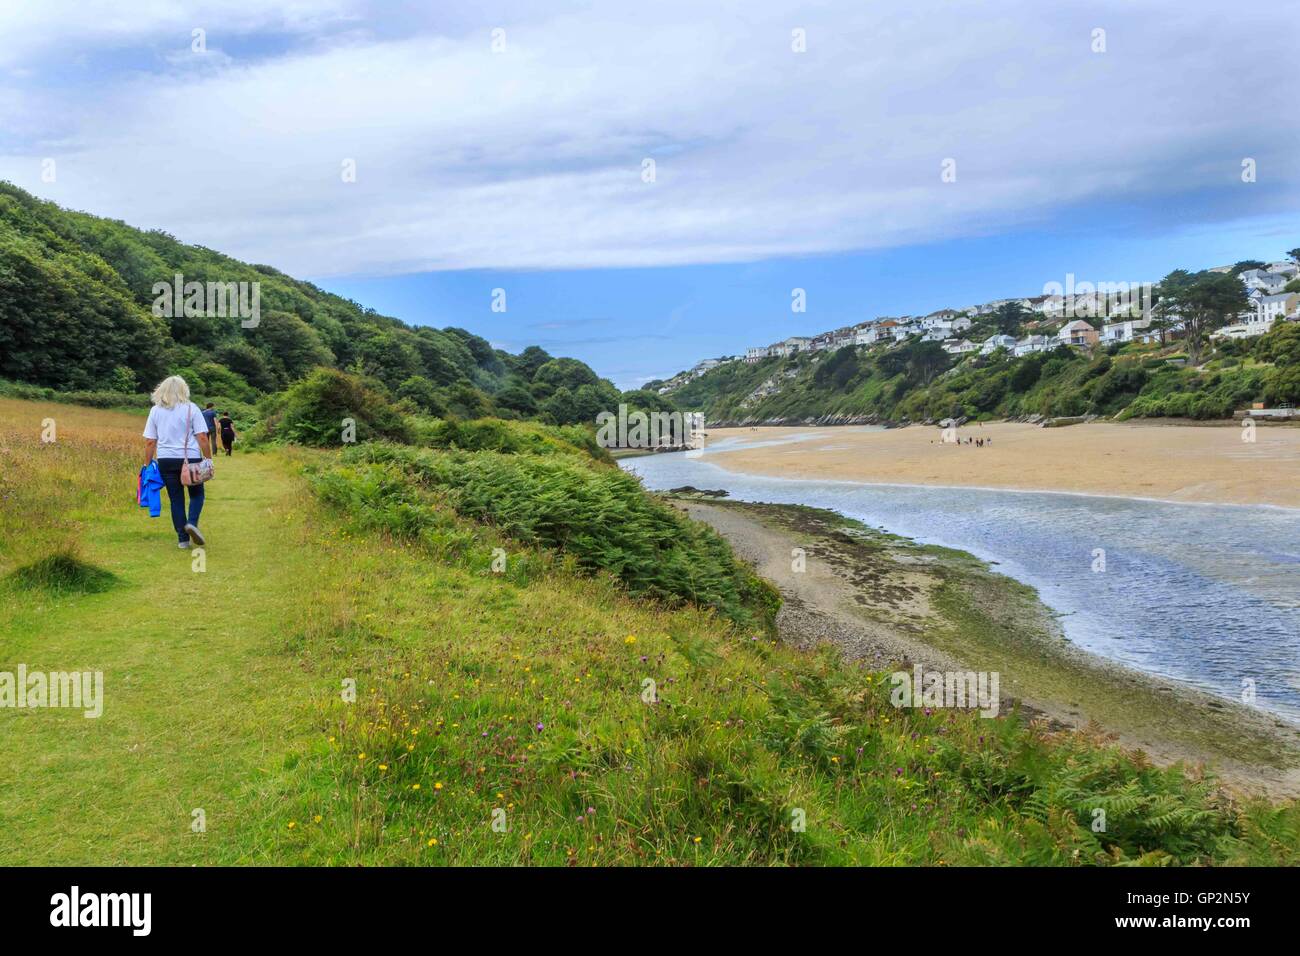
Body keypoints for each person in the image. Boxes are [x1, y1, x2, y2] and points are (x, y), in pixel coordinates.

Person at [142, 375, 212, 549]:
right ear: (184, 390)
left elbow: (150, 441)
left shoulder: (155, 410)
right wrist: (209, 458)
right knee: (197, 494)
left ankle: (182, 540)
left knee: (176, 499)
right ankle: (192, 524)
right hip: (191, 459)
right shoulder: (192, 408)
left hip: (166, 460)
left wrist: (147, 464)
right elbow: (202, 437)